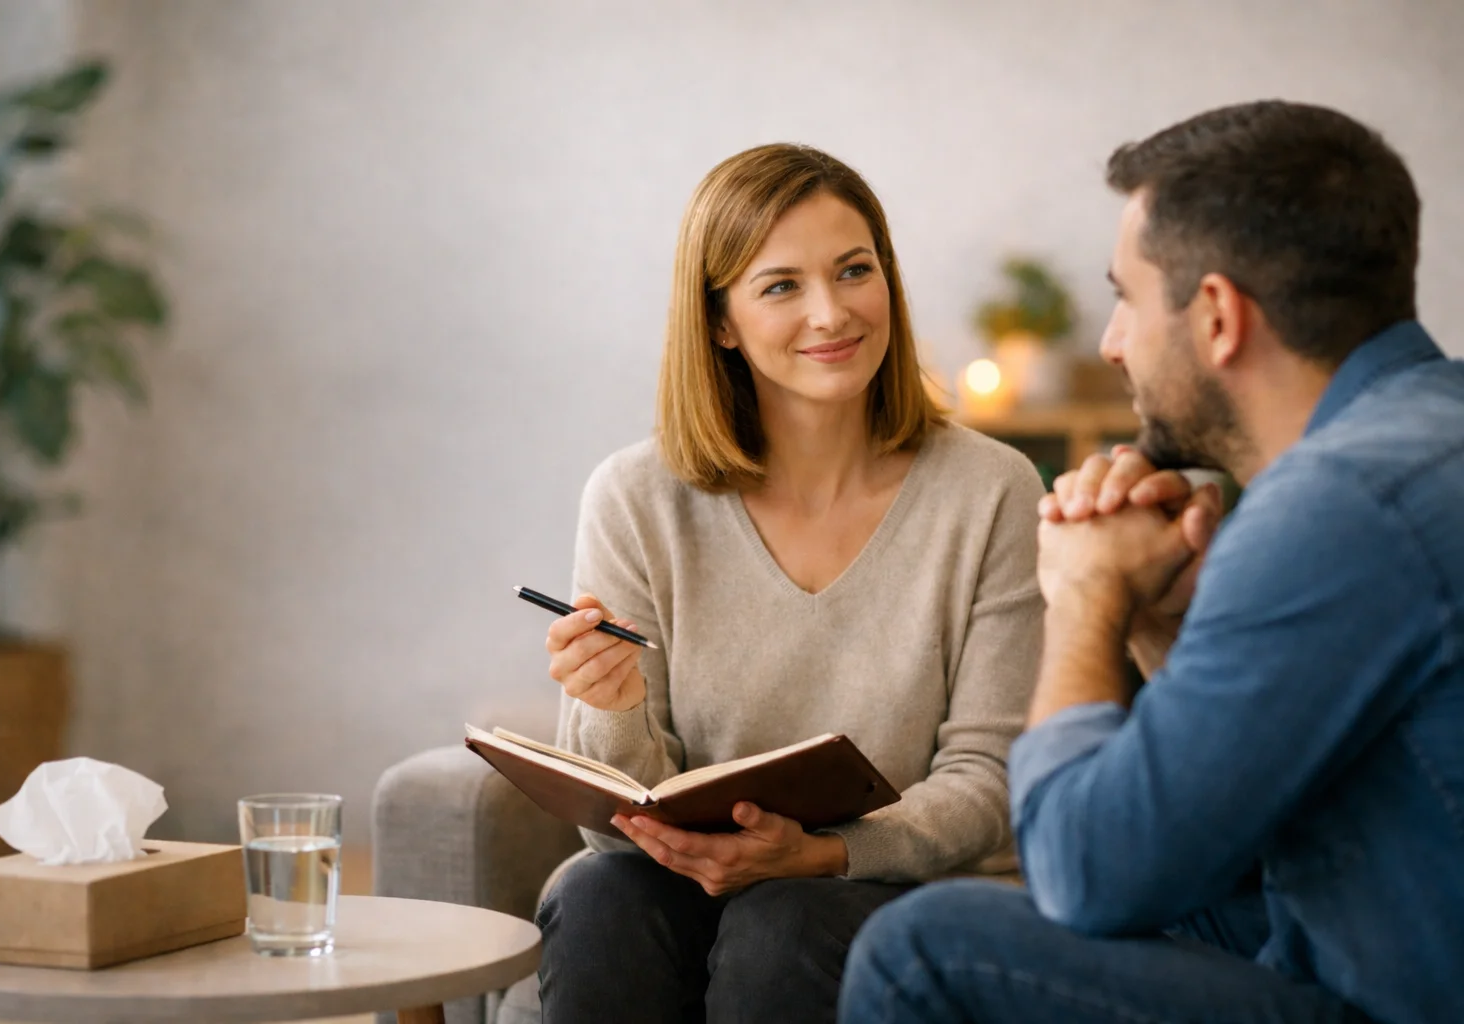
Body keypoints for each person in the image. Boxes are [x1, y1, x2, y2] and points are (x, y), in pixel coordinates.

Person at [839, 100, 1464, 1024]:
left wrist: (1087, 594)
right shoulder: (1429, 425)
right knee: (1199, 888)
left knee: (918, 950)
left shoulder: (1335, 506)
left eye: (1127, 297)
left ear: (1217, 315)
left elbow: (1083, 874)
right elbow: (1223, 812)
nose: (1110, 341)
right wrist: (1159, 626)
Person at [531, 143, 1046, 1023]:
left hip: (892, 891)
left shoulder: (992, 490)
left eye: (855, 271)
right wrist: (612, 706)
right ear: (721, 322)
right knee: (597, 895)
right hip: (687, 888)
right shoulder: (634, 496)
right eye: (781, 287)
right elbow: (607, 827)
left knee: (785, 920)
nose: (832, 312)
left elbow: (990, 781)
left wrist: (819, 854)